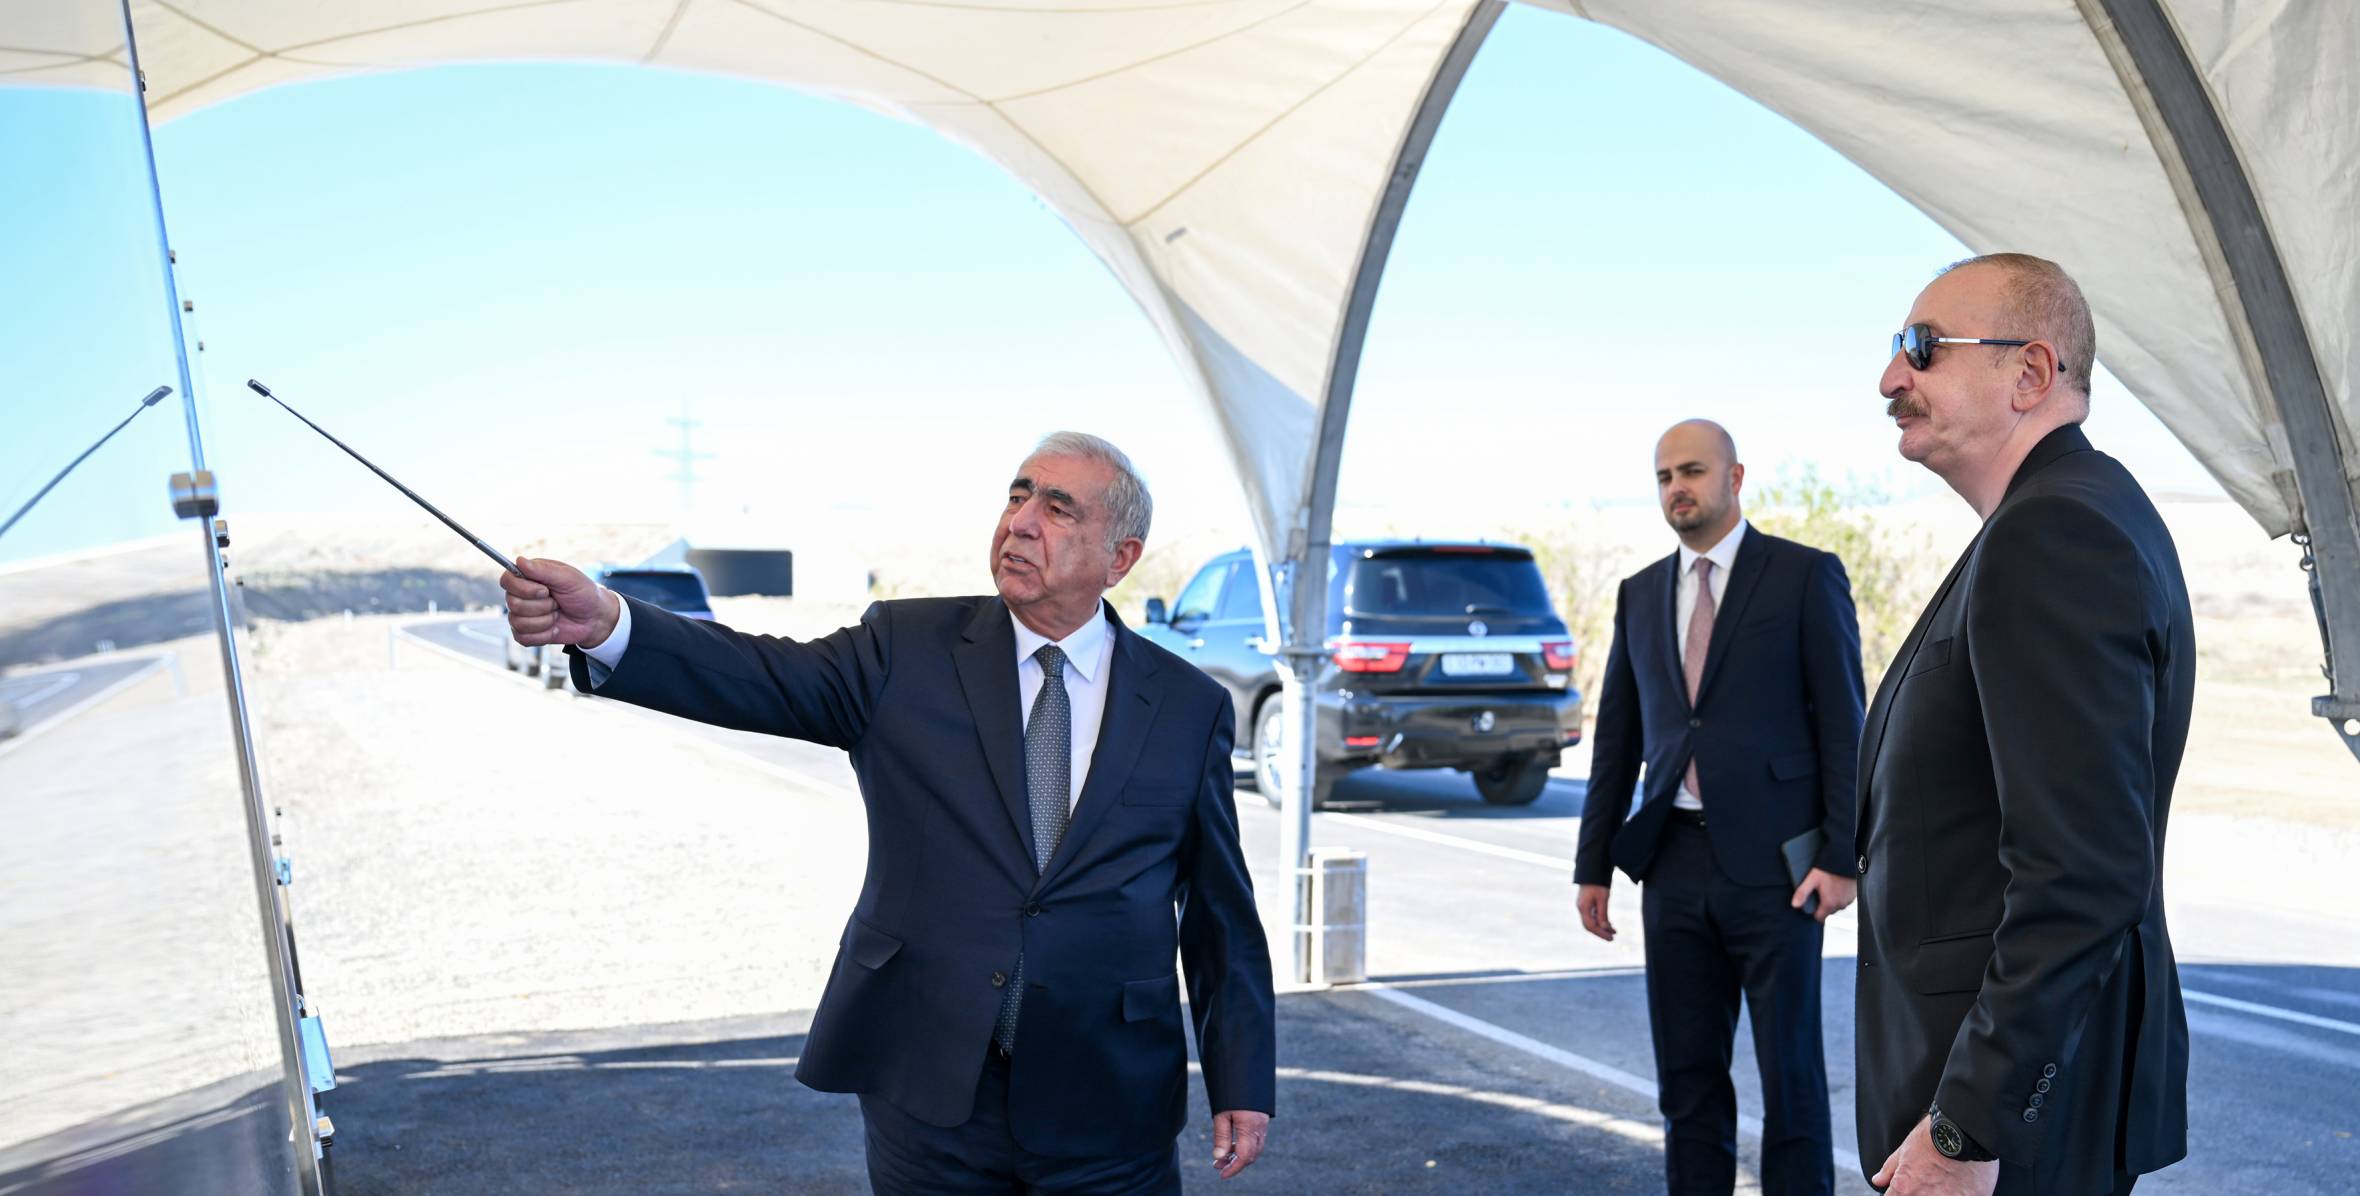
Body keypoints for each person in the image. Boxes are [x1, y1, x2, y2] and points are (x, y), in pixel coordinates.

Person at [500, 431, 1276, 1194]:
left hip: (1109, 1101)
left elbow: (1220, 915)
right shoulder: (905, 649)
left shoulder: (1188, 706)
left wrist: (1241, 1078)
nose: (1020, 522)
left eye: (1059, 508)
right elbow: (759, 673)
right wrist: (609, 624)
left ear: (1121, 557)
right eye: (1017, 496)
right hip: (932, 1091)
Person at [1857, 254, 2192, 1196]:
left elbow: (2082, 873)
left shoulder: (2055, 534)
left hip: (2014, 1130)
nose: (1890, 378)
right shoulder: (2062, 515)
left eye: (1923, 347)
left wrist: (1968, 1127)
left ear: (2031, 373)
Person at [1575, 418, 1866, 1195]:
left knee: (1792, 1077)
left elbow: (1846, 727)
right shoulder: (1640, 594)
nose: (1678, 487)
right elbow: (1616, 741)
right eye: (1665, 476)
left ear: (1735, 478)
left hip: (1778, 871)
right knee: (1687, 1080)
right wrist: (1592, 865)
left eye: (1693, 471)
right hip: (1671, 864)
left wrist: (1842, 858)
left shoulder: (1804, 575)